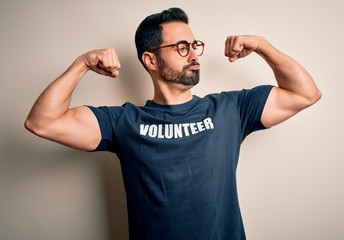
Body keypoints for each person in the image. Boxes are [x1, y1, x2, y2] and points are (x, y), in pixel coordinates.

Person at [25, 7, 321, 240]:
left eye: (194, 45)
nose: (194, 55)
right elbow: (42, 122)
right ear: (151, 60)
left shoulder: (231, 109)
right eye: (181, 47)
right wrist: (82, 64)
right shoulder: (124, 122)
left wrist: (263, 46)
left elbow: (305, 93)